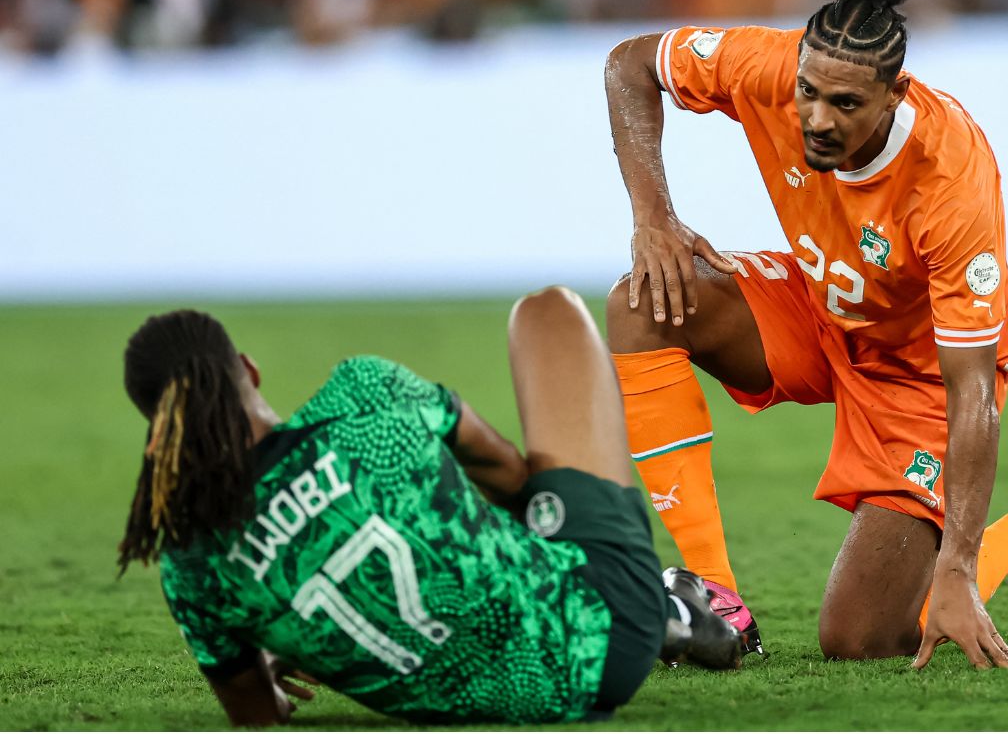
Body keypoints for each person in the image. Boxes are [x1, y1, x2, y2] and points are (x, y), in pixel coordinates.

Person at [602, 0, 1008, 667]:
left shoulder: (949, 176)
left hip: (917, 378)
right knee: (643, 300)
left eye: (847, 105)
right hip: (819, 307)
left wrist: (958, 561)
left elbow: (974, 393)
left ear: (894, 94)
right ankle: (719, 598)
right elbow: (628, 65)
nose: (818, 120)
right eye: (809, 94)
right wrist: (654, 217)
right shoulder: (766, 65)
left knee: (861, 639)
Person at [116, 287, 741, 727]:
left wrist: (288, 645)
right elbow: (507, 470)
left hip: (489, 712)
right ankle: (664, 603)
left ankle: (656, 608)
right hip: (607, 633)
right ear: (248, 370)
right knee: (546, 311)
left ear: (157, 431)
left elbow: (259, 718)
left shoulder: (190, 566)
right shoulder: (361, 394)